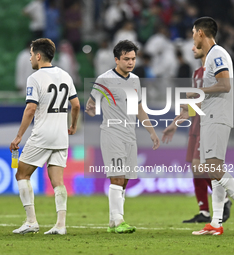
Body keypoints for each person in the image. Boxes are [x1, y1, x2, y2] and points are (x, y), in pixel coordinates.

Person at [85, 40, 160, 234]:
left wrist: (151, 132)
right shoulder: (104, 79)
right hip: (112, 134)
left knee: (125, 180)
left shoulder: (135, 80)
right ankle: (119, 221)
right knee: (117, 178)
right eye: (126, 59)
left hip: (130, 135)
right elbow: (91, 104)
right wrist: (92, 109)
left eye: (133, 59)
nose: (130, 62)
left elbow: (139, 108)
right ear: (116, 59)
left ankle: (113, 221)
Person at [10, 38, 80, 235]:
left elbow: (31, 108)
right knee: (57, 180)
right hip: (61, 136)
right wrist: (73, 125)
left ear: (39, 56)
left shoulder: (35, 78)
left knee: (22, 174)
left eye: (32, 54)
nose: (30, 58)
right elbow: (76, 105)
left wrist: (18, 137)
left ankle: (31, 221)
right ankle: (60, 225)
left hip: (42, 134)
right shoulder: (65, 75)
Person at [175, 17, 234, 236]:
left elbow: (225, 84)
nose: (192, 36)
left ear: (200, 33)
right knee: (214, 170)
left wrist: (198, 93)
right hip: (211, 116)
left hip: (217, 117)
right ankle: (216, 223)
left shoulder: (217, 54)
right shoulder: (211, 57)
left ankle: (217, 221)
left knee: (213, 169)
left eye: (192, 32)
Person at [162, 45, 232, 224]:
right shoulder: (196, 73)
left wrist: (190, 107)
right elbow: (194, 103)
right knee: (196, 169)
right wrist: (174, 124)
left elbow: (213, 98)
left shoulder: (215, 70)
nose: (192, 48)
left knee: (202, 166)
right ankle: (205, 212)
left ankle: (224, 200)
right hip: (196, 124)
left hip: (209, 121)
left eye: (196, 45)